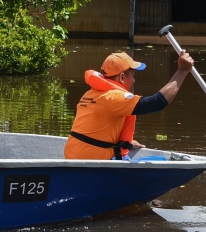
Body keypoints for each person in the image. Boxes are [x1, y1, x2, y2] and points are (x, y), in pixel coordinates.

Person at [64, 49, 195, 160]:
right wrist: (182, 71)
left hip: (72, 156)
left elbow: (97, 128)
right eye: (132, 75)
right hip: (94, 161)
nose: (134, 80)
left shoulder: (90, 94)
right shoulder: (115, 97)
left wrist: (125, 142)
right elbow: (156, 103)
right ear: (121, 77)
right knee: (161, 160)